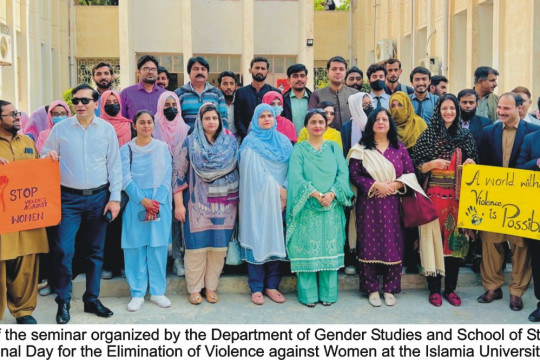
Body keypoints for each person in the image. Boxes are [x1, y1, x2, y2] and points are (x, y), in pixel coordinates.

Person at [42, 84, 122, 324]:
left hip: (99, 197)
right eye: (75, 101)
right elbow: (45, 155)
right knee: (64, 251)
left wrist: (115, 198)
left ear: (96, 103)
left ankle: (91, 299)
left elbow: (115, 166)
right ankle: (63, 301)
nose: (79, 105)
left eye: (85, 101)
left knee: (95, 252)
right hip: (68, 199)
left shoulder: (106, 130)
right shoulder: (60, 129)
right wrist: (49, 157)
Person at [412, 93, 479, 307]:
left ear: (457, 111)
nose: (448, 112)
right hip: (432, 199)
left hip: (456, 201)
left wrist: (470, 163)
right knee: (433, 243)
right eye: (444, 108)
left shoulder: (465, 136)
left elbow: (475, 163)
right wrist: (430, 165)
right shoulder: (428, 135)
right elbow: (415, 165)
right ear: (438, 111)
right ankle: (433, 289)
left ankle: (450, 289)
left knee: (455, 244)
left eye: (452, 108)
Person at [476, 92, 540, 311]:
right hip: (492, 198)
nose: (501, 112)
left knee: (521, 246)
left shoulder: (534, 132)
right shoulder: (488, 132)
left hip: (521, 199)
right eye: (500, 108)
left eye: (507, 108)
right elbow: (481, 163)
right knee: (490, 243)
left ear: (519, 108)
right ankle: (492, 286)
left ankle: (516, 291)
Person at [172, 103, 239, 305]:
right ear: (200, 121)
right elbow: (178, 175)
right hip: (195, 206)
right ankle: (194, 289)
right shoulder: (189, 143)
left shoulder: (230, 143)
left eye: (215, 118)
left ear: (220, 121)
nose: (211, 122)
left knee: (218, 250)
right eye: (207, 118)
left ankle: (211, 287)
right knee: (196, 249)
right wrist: (179, 205)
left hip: (226, 205)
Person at [348, 108, 415, 306]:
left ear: (390, 124)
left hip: (393, 203)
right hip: (369, 204)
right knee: (369, 241)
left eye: (384, 119)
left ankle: (390, 288)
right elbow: (354, 175)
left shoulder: (398, 148)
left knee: (392, 243)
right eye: (376, 119)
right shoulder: (361, 148)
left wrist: (394, 185)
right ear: (370, 124)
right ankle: (371, 289)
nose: (381, 122)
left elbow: (410, 174)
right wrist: (375, 185)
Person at [286, 109, 353, 307]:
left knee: (329, 249)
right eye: (313, 122)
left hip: (331, 207)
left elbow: (343, 173)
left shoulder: (333, 147)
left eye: (321, 122)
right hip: (307, 206)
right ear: (306, 126)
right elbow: (296, 177)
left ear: (326, 125)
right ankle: (307, 296)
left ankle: (329, 294)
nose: (317, 125)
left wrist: (332, 194)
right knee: (307, 250)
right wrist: (315, 194)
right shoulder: (299, 149)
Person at [238, 103, 293, 305]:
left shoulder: (284, 142)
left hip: (282, 201)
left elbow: (292, 169)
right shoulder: (250, 143)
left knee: (276, 239)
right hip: (258, 202)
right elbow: (253, 174)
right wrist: (279, 191)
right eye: (262, 116)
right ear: (255, 120)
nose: (267, 119)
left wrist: (285, 193)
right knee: (259, 237)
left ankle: (272, 285)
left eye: (270, 115)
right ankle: (256, 286)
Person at [0, 100, 49, 324]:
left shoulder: (28, 141)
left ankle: (24, 311)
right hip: (3, 219)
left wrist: (49, 162)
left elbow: (38, 172)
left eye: (17, 113)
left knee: (27, 263)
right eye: (11, 115)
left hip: (27, 215)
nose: (17, 117)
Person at [121, 111, 172, 312]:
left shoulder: (162, 148)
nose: (145, 126)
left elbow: (167, 176)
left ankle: (158, 292)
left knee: (158, 247)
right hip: (136, 202)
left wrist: (155, 203)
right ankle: (137, 293)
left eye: (149, 122)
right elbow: (125, 178)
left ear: (154, 125)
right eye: (141, 122)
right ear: (134, 125)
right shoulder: (126, 149)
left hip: (160, 201)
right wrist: (143, 201)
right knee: (134, 247)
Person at [389, 91, 427, 274]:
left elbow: (428, 152)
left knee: (414, 220)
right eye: (393, 106)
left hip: (416, 178)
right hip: (393, 179)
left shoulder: (419, 124)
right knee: (396, 220)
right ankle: (398, 259)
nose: (397, 110)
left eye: (400, 105)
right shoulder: (387, 127)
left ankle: (414, 260)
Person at [153, 90, 190, 277]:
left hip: (179, 180)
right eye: (166, 105)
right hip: (156, 180)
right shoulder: (153, 126)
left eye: (174, 105)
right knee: (156, 218)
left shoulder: (185, 129)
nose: (171, 109)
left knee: (178, 220)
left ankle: (177, 258)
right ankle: (156, 259)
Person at [516, 129, 540, 321]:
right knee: (538, 259)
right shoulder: (531, 139)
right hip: (536, 211)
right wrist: (536, 163)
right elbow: (519, 168)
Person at [174, 56, 228, 130]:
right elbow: (174, 120)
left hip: (212, 140)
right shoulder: (178, 94)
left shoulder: (217, 94)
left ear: (207, 73)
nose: (200, 72)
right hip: (187, 139)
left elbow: (223, 118)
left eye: (203, 69)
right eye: (196, 69)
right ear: (189, 73)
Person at [309, 56, 358, 131]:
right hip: (326, 140)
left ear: (345, 72)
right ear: (327, 72)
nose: (338, 72)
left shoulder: (355, 94)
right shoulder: (317, 94)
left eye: (341, 69)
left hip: (351, 139)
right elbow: (311, 119)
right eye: (334, 69)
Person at [235, 57, 279, 139]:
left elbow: (278, 118)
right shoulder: (241, 92)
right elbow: (238, 119)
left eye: (263, 68)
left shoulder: (275, 93)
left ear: (267, 72)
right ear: (250, 70)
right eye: (257, 68)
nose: (259, 71)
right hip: (247, 139)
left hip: (270, 139)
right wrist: (248, 137)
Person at [120, 55, 166, 120]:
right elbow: (122, 119)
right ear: (138, 72)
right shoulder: (126, 93)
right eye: (146, 69)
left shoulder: (165, 94)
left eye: (153, 69)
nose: (150, 72)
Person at [282, 64, 312, 135]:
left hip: (310, 143)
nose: (299, 79)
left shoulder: (314, 98)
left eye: (302, 76)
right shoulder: (283, 100)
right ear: (288, 80)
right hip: (289, 142)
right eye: (295, 76)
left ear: (306, 79)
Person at [342, 92, 371, 157]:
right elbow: (346, 149)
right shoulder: (347, 127)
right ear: (357, 107)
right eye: (365, 105)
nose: (369, 107)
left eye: (370, 103)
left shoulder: (374, 123)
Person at [218, 71, 238, 137]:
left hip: (238, 141)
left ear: (236, 86)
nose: (229, 87)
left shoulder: (240, 102)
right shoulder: (216, 104)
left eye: (232, 83)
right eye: (225, 84)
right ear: (219, 86)